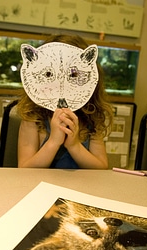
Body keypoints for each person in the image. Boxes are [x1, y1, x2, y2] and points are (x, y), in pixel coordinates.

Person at [17, 34, 113, 169]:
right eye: (49, 74)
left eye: (73, 75)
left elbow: (101, 167)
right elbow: (25, 168)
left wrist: (74, 145)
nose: (62, 84)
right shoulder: (32, 117)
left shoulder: (92, 117)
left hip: (81, 187)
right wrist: (53, 142)